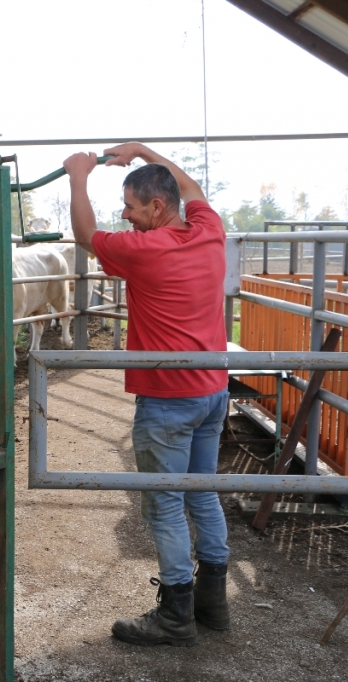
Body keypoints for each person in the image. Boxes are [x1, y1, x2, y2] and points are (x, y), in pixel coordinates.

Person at [64, 142, 231, 647]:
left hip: (167, 399)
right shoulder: (208, 231)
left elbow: (86, 235)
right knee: (202, 492)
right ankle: (213, 604)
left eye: (132, 207)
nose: (126, 215)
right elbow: (192, 189)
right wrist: (142, 151)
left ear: (156, 209)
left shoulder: (144, 250)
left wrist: (78, 177)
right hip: (212, 392)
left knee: (163, 502)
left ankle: (176, 613)